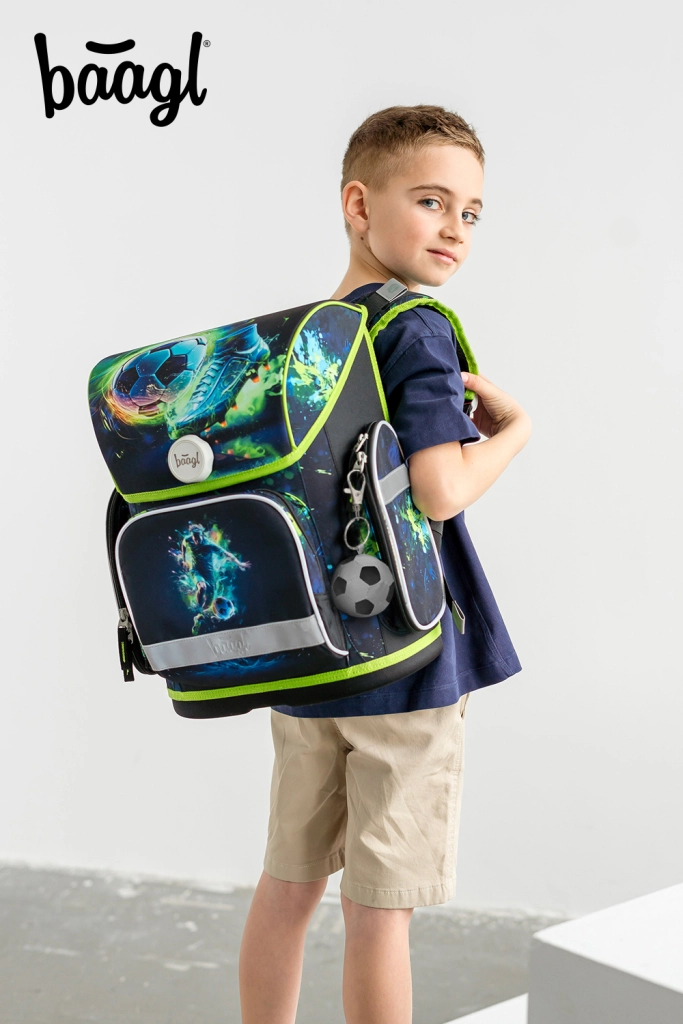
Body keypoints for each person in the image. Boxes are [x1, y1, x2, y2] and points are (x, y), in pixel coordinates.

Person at [238, 104, 533, 1024]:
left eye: (471, 212)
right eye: (432, 201)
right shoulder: (416, 329)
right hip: (403, 658)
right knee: (378, 910)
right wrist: (514, 434)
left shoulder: (304, 336)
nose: (455, 229)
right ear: (359, 204)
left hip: (307, 651)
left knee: (288, 884)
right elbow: (439, 493)